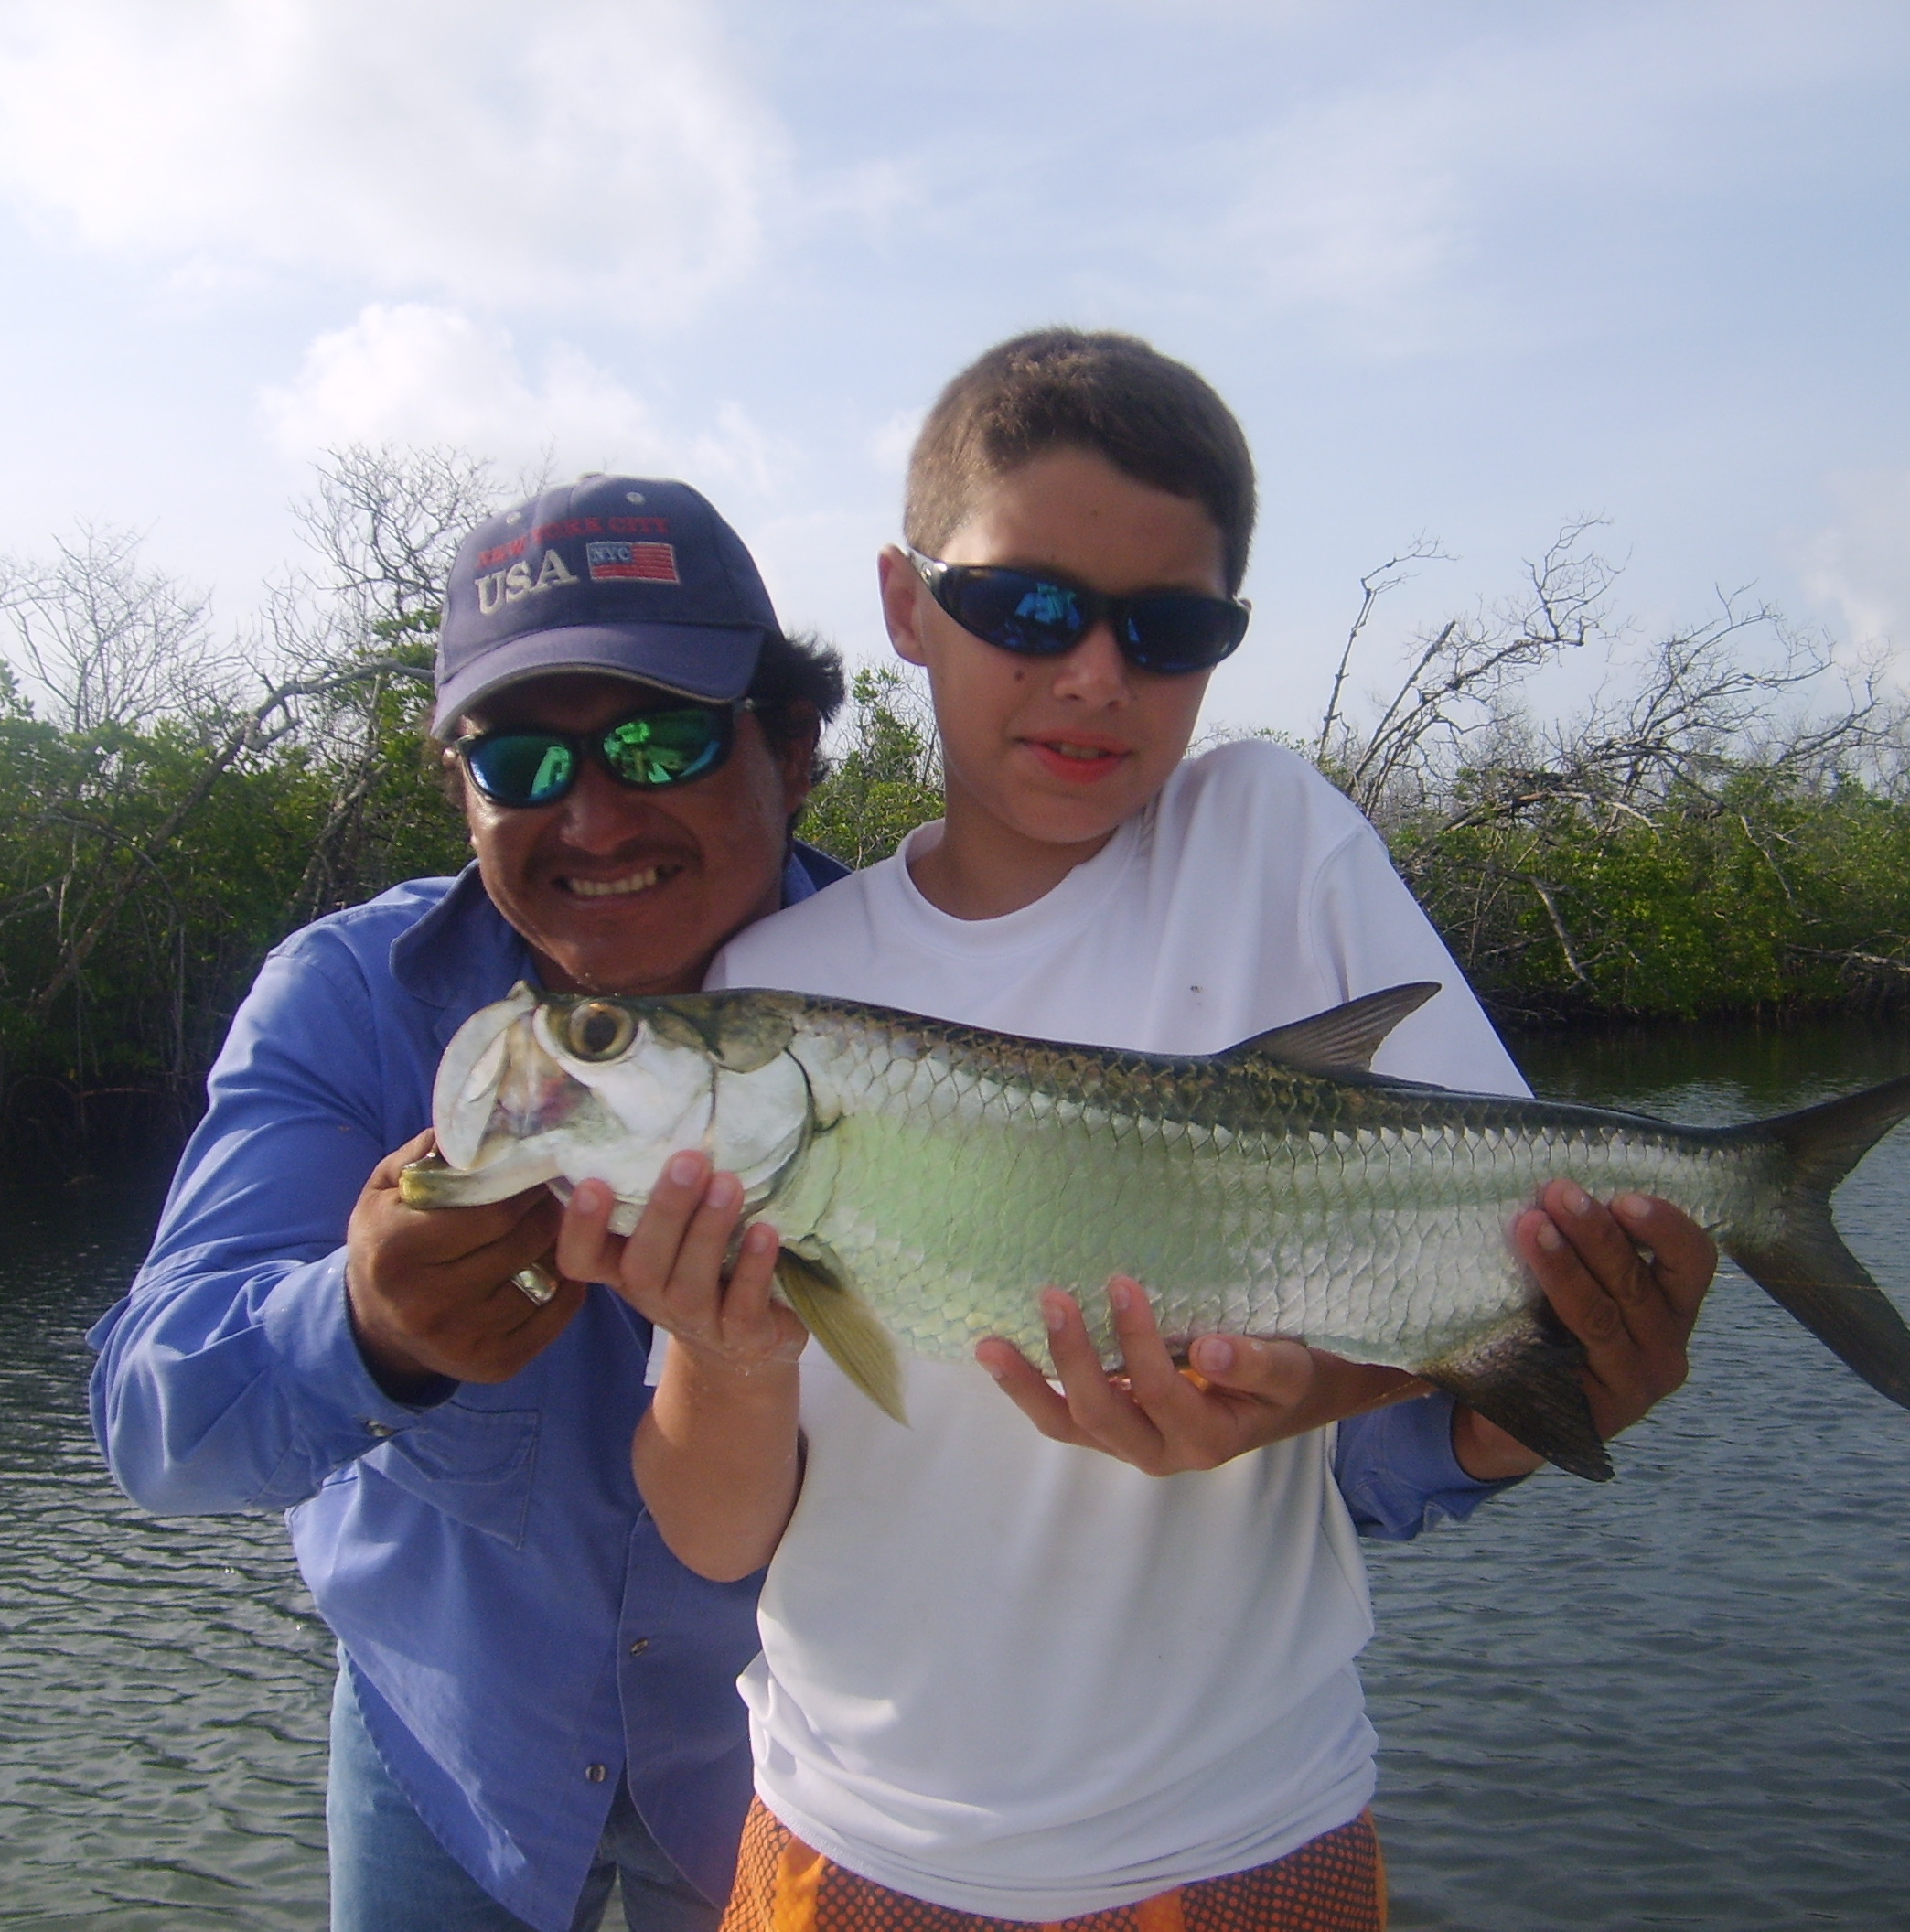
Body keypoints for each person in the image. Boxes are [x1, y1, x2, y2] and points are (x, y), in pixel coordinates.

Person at [579, 332, 1722, 1931]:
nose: (1095, 675)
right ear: (909, 607)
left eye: (1167, 629)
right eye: (1027, 609)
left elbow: (1508, 1255)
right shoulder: (779, 995)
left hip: (1252, 1834)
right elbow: (710, 1537)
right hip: (856, 1849)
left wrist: (1311, 1396)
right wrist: (737, 1354)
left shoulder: (1274, 838)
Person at [86, 473, 853, 1932]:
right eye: (519, 762)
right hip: (449, 1759)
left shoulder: (932, 1019)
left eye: (659, 736)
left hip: (806, 1781)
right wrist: (366, 1325)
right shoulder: (351, 1001)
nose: (597, 812)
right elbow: (152, 1421)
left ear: (794, 747)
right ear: (460, 791)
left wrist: (1424, 1431)